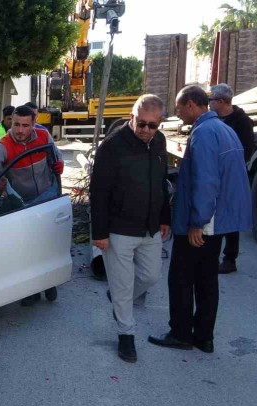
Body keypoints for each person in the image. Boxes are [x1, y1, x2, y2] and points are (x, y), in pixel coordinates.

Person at [148, 85, 252, 354]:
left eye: (180, 108)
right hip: (217, 221)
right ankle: (204, 337)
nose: (178, 114)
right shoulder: (223, 129)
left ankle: (181, 333)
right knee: (207, 279)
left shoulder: (204, 133)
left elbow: (206, 182)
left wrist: (198, 222)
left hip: (202, 222)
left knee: (181, 278)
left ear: (192, 105)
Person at [90, 94, 171, 363]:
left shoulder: (159, 141)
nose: (146, 130)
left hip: (149, 227)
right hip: (119, 229)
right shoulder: (112, 146)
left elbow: (161, 182)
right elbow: (98, 191)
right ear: (131, 117)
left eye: (153, 125)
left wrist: (165, 217)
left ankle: (118, 298)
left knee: (151, 276)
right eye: (141, 123)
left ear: (160, 123)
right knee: (123, 286)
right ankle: (126, 335)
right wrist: (99, 233)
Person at [0, 105, 65, 306]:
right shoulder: (4, 146)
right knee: (27, 248)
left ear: (34, 124)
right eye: (16, 124)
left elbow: (56, 155)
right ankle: (30, 291)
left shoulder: (43, 135)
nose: (20, 130)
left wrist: (60, 164)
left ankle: (49, 282)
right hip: (22, 204)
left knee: (48, 243)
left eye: (25, 125)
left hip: (48, 196)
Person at [209, 83, 255, 275]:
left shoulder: (242, 122)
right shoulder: (213, 119)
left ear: (221, 101)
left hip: (231, 175)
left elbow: (247, 148)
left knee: (230, 215)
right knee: (214, 213)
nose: (209, 103)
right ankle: (211, 255)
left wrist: (231, 167)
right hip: (214, 173)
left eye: (211, 100)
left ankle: (230, 258)